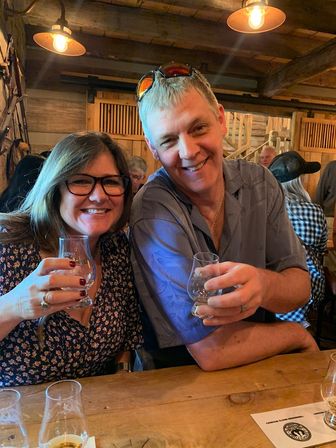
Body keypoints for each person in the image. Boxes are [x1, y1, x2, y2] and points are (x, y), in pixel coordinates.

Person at [129, 62, 318, 372]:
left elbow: (300, 287)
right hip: (176, 381)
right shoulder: (152, 208)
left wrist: (264, 285)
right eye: (168, 140)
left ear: (220, 119)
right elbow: (212, 350)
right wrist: (295, 334)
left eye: (198, 128)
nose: (188, 151)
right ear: (153, 149)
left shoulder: (260, 183)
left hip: (258, 365)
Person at [0, 131, 143, 387]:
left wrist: (123, 385)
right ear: (55, 189)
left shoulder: (117, 249)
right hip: (19, 417)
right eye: (80, 181)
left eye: (110, 182)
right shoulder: (8, 242)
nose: (99, 196)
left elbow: (127, 340)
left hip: (97, 414)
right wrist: (15, 305)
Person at [269, 151, 327, 326]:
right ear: (299, 182)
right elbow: (322, 248)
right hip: (310, 287)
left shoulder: (267, 209)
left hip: (273, 286)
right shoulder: (315, 211)